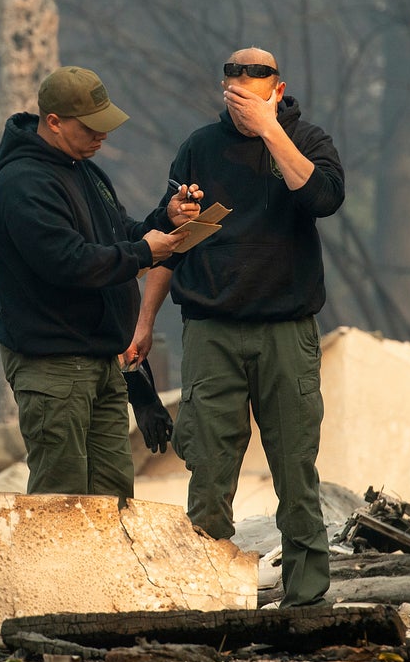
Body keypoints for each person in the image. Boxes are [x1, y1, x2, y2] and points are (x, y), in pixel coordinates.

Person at [132, 48, 345, 607]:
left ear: (277, 89)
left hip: (285, 327)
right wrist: (146, 321)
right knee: (208, 463)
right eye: (233, 93)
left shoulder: (307, 140)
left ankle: (305, 593)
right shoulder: (201, 146)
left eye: (253, 92)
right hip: (211, 328)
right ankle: (209, 591)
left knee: (295, 464)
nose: (241, 103)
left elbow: (324, 198)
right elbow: (171, 240)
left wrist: (271, 132)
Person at [0, 66, 197, 498]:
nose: (101, 137)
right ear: (54, 122)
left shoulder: (85, 169)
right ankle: (50, 570)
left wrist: (165, 218)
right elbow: (67, 262)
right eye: (91, 128)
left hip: (102, 360)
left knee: (113, 496)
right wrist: (144, 253)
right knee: (60, 500)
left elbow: (117, 232)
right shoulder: (24, 183)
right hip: (53, 363)